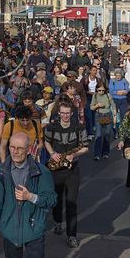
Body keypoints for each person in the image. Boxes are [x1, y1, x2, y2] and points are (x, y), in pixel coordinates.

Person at [42, 101, 87, 247]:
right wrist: (52, 153)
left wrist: (74, 155)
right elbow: (46, 141)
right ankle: (57, 222)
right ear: (59, 113)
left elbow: (85, 147)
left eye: (68, 113)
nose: (65, 116)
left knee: (71, 203)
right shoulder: (52, 127)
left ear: (71, 113)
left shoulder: (79, 127)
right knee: (57, 199)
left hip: (72, 169)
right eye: (63, 113)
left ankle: (71, 235)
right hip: (56, 169)